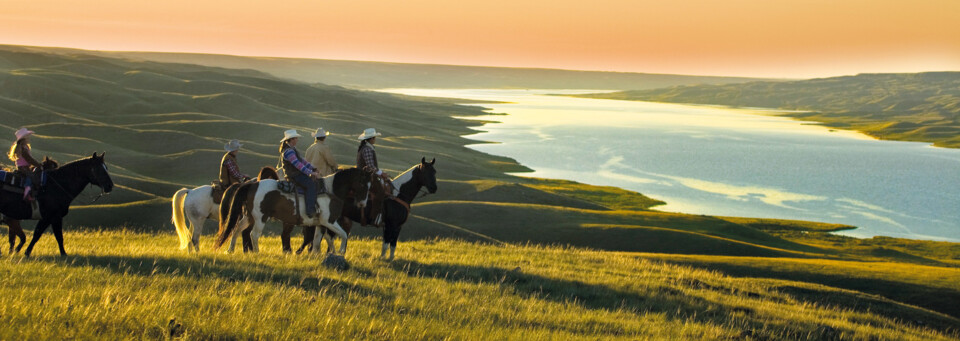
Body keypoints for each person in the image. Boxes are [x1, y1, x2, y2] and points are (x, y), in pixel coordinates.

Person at [279, 129, 320, 217]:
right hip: (294, 175)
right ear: (291, 139)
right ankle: (310, 210)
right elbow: (298, 165)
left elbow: (302, 161)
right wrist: (311, 173)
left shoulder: (292, 149)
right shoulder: (289, 151)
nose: (297, 140)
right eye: (296, 138)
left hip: (296, 174)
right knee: (311, 184)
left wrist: (313, 168)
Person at [7, 128, 42, 201]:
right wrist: (38, 165)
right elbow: (29, 159)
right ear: (24, 139)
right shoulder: (23, 149)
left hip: (24, 167)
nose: (29, 138)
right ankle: (27, 192)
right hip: (23, 168)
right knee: (31, 177)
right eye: (27, 137)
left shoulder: (24, 147)